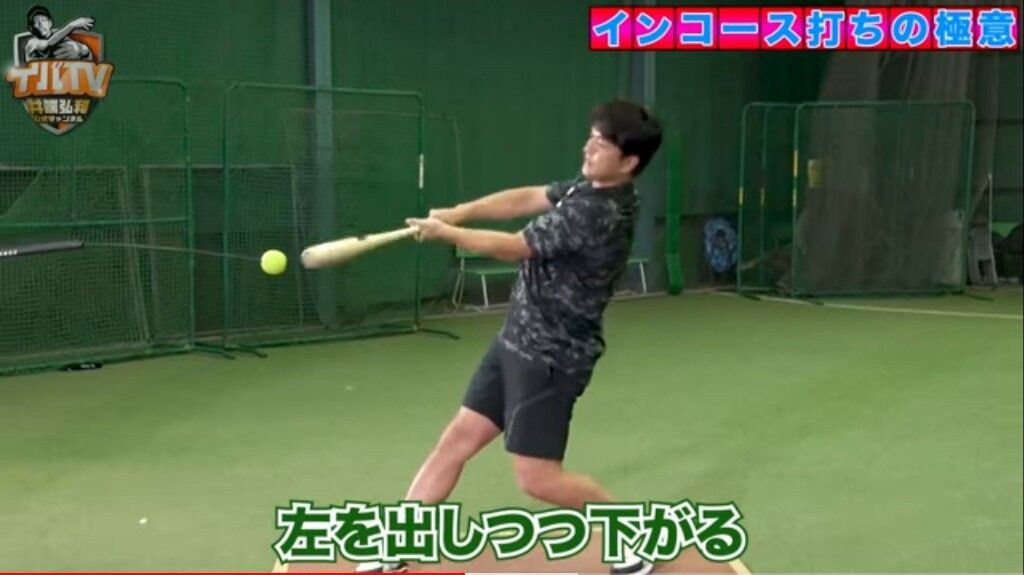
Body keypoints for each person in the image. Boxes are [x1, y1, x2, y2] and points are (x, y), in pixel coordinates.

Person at [360, 99, 662, 574]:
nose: (588, 148)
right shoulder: (588, 187)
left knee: (538, 479)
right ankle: (396, 546)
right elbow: (527, 197)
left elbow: (514, 247)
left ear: (629, 163)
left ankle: (632, 538)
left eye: (602, 145)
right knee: (456, 441)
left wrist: (446, 233)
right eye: (591, 137)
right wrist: (459, 212)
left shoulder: (600, 212)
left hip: (551, 358)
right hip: (515, 341)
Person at [23, 5, 95, 62]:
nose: (41, 24)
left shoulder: (59, 35)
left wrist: (80, 49)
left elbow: (84, 51)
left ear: (50, 23)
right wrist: (72, 25)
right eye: (35, 22)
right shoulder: (32, 43)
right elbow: (48, 43)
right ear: (31, 27)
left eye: (43, 20)